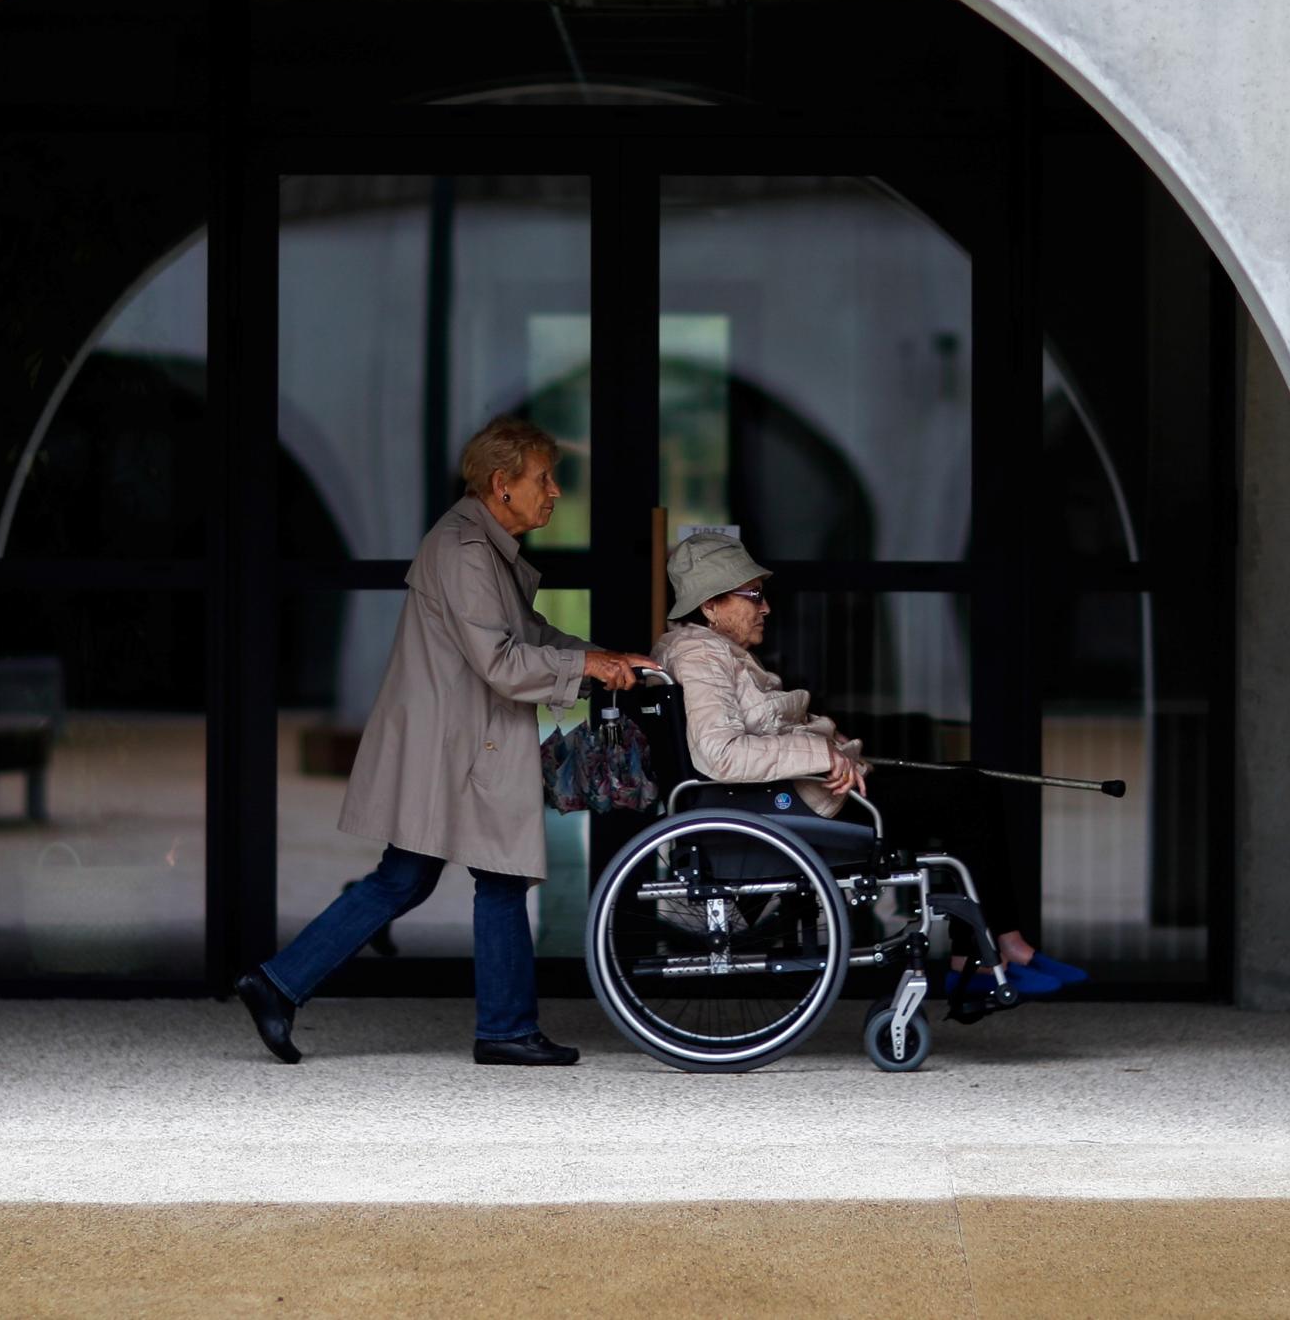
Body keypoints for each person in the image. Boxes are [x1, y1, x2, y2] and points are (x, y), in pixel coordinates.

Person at [236, 417, 663, 1066]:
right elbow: (501, 661)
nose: (554, 492)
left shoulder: (480, 545)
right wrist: (587, 667)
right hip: (456, 748)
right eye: (542, 480)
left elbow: (529, 634)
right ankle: (504, 1028)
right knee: (491, 876)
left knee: (407, 879)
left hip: (458, 744)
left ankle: (276, 984)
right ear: (502, 485)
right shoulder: (466, 552)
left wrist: (601, 656)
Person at [652, 532, 1089, 995]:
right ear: (710, 605)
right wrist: (820, 753)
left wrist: (830, 742)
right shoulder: (699, 655)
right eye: (754, 595)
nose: (766, 608)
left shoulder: (717, 652)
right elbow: (719, 752)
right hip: (792, 810)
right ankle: (978, 955)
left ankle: (1003, 942)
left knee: (969, 781)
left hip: (804, 795)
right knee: (967, 793)